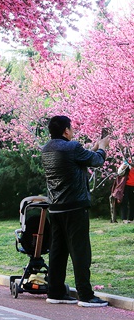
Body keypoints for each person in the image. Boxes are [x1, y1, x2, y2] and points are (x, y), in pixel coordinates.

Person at [41, 116, 109, 307]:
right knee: (80, 251)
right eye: (71, 128)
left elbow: (78, 160)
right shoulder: (72, 147)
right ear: (65, 131)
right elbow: (96, 161)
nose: (72, 131)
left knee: (58, 250)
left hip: (55, 208)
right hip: (75, 207)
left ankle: (55, 292)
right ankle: (86, 295)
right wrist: (103, 147)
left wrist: (92, 149)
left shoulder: (47, 148)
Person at [116, 155, 134, 224]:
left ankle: (131, 219)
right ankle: (124, 219)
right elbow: (120, 173)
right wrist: (124, 166)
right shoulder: (127, 163)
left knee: (133, 203)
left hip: (133, 186)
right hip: (126, 186)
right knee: (124, 202)